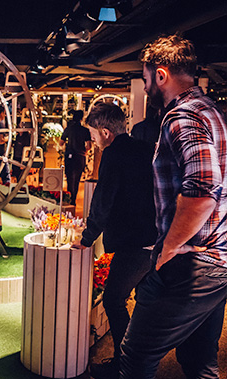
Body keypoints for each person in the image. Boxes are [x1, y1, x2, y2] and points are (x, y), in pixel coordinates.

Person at [119, 35, 227, 379]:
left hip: (191, 265)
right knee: (199, 364)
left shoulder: (183, 117)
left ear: (161, 74)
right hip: (218, 262)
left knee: (135, 355)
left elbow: (203, 187)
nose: (145, 82)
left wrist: (170, 246)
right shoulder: (211, 111)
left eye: (146, 75)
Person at [71, 103, 157, 379]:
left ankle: (125, 365)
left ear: (106, 132)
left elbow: (103, 201)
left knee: (113, 300)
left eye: (93, 134)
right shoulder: (145, 148)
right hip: (156, 240)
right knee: (144, 302)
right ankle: (141, 364)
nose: (92, 140)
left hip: (134, 243)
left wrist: (86, 239)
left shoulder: (112, 155)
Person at [59, 110, 91, 206]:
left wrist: (67, 147)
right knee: (77, 179)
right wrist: (84, 151)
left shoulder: (69, 129)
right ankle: (74, 199)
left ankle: (69, 198)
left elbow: (61, 143)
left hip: (69, 155)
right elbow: (89, 146)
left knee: (69, 178)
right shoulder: (85, 130)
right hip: (80, 156)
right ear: (81, 119)